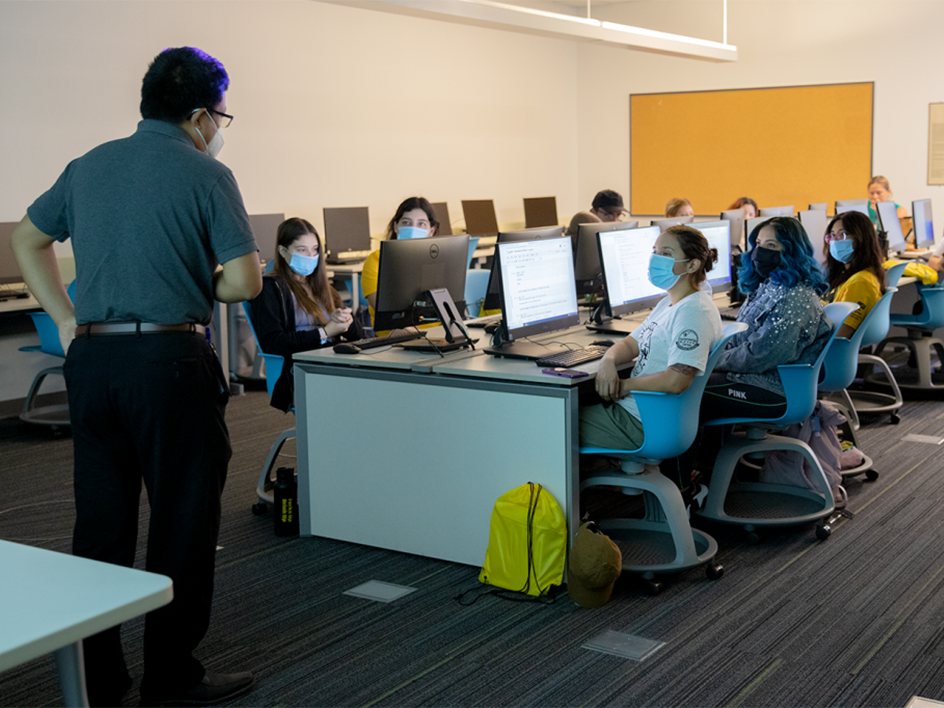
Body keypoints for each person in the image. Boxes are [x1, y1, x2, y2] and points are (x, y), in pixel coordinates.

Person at [10, 47, 262, 707]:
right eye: (222, 115)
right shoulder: (207, 173)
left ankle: (93, 679)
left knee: (101, 522)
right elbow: (243, 281)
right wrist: (185, 275)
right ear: (204, 114)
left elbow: (28, 239)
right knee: (182, 515)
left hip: (91, 363)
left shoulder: (88, 164)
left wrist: (65, 317)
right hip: (167, 362)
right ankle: (170, 677)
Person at [580, 225, 723, 493]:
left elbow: (676, 380)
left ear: (692, 264)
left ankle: (573, 522)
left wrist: (621, 386)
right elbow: (630, 343)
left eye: (666, 253)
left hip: (644, 421)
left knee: (550, 422)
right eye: (655, 251)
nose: (655, 259)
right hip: (641, 413)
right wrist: (608, 361)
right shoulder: (669, 303)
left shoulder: (693, 311)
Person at [701, 217, 831, 421]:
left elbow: (759, 357)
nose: (759, 252)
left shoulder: (795, 298)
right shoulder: (772, 285)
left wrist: (710, 360)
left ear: (791, 251)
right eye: (759, 244)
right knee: (690, 379)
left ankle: (698, 453)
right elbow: (742, 339)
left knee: (689, 389)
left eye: (771, 245)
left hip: (776, 389)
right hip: (755, 376)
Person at [250, 217, 363, 412]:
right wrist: (324, 332)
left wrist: (347, 322)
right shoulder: (271, 288)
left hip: (332, 362)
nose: (310, 255)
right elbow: (273, 342)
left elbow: (357, 336)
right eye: (301, 250)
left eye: (314, 249)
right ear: (283, 252)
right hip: (300, 370)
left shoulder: (323, 288)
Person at [361, 196, 439, 329]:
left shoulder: (438, 260)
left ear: (431, 231)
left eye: (421, 224)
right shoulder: (376, 260)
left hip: (437, 333)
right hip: (394, 337)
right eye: (406, 222)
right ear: (396, 226)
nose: (413, 229)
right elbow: (384, 310)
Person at [823, 211, 886, 339]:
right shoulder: (845, 274)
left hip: (824, 354)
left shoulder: (860, 282)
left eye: (842, 235)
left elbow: (840, 336)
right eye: (832, 236)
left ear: (861, 238)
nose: (835, 241)